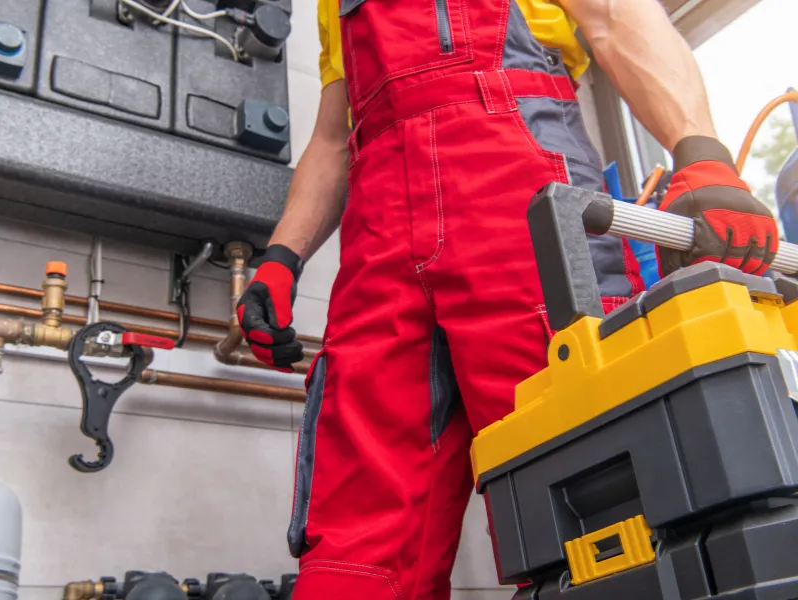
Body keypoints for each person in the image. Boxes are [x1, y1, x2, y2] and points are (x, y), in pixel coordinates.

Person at [236, 0, 779, 597]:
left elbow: (615, 18)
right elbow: (333, 137)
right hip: (379, 231)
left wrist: (701, 155)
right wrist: (281, 258)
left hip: (517, 189)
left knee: (593, 490)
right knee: (355, 538)